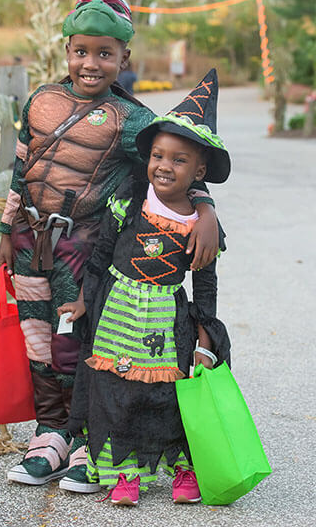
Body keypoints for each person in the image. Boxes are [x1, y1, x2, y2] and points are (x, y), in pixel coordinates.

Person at [0, 0, 220, 492]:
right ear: (67, 50)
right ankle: (49, 433)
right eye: (81, 51)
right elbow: (21, 165)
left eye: (104, 53)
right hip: (32, 239)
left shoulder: (131, 118)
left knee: (74, 341)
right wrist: (5, 230)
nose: (90, 63)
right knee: (37, 341)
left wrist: (205, 209)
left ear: (124, 58)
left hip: (84, 244)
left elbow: (174, 155)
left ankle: (84, 439)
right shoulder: (41, 101)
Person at [59, 69, 231, 504]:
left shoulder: (201, 223)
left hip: (167, 318)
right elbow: (100, 255)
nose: (164, 166)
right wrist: (83, 301)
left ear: (200, 170)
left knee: (166, 393)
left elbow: (205, 285)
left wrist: (207, 336)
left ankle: (182, 469)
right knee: (115, 392)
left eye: (179, 160)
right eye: (158, 155)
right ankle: (124, 474)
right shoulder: (131, 198)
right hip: (117, 312)